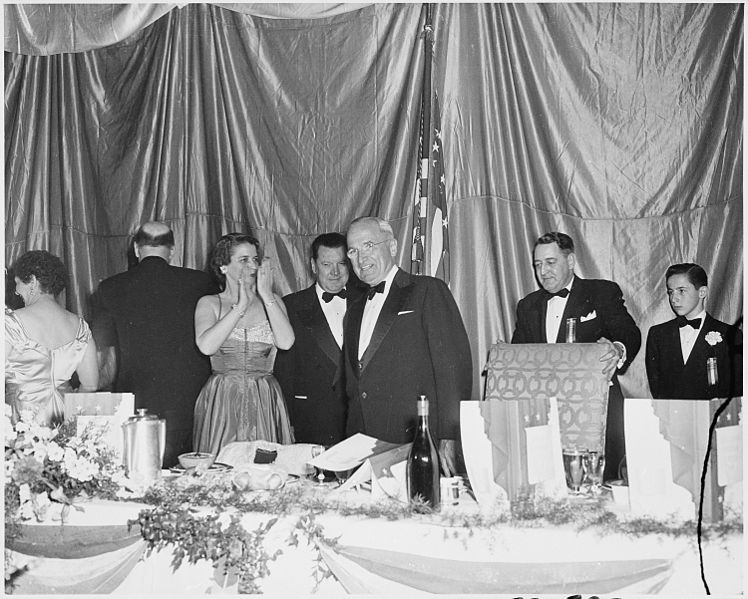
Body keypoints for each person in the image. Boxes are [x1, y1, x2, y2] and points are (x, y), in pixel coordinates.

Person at [343, 217, 472, 474]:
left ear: (392, 247)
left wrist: (449, 436)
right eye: (353, 251)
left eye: (368, 245)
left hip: (415, 443)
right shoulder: (354, 309)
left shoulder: (427, 291)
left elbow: (453, 370)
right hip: (362, 445)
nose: (360, 258)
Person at [511, 232, 641, 481]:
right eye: (538, 265)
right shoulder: (527, 305)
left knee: (601, 488)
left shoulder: (601, 292)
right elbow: (519, 355)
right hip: (546, 416)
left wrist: (617, 348)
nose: (543, 271)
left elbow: (628, 331)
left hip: (597, 413)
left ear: (570, 261)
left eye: (550, 263)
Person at [91, 222, 216, 468]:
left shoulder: (110, 287)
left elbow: (102, 350)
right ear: (172, 249)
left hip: (136, 398)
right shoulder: (200, 282)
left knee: (141, 470)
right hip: (190, 398)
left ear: (137, 249)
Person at [193, 233, 295, 456]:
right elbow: (206, 347)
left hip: (265, 398)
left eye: (255, 259)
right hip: (224, 398)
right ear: (223, 266)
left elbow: (286, 342)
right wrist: (239, 307)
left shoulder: (273, 301)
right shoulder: (209, 303)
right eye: (244, 260)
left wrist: (266, 294)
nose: (253, 266)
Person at [275, 233, 362, 446]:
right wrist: (288, 422)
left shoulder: (367, 300)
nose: (335, 272)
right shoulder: (291, 306)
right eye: (326, 264)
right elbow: (284, 371)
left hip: (359, 420)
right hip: (311, 420)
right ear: (314, 266)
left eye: (341, 263)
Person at [5, 250, 98, 425]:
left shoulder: (10, 323)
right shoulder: (79, 326)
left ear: (32, 281)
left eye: (18, 283)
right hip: (64, 426)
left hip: (21, 425)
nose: (16, 292)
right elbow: (91, 385)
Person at [646, 263, 742, 399]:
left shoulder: (731, 335)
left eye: (681, 291)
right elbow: (657, 389)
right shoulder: (658, 334)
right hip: (671, 417)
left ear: (702, 292)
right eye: (670, 292)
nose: (674, 298)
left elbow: (736, 391)